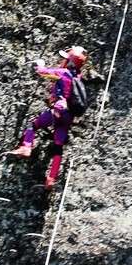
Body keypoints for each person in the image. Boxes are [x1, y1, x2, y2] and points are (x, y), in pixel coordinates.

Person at [9, 46, 89, 191]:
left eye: (66, 58)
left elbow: (43, 72)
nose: (63, 60)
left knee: (33, 124)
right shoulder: (78, 78)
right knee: (58, 146)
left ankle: (26, 147)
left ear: (70, 61)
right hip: (68, 117)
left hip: (58, 109)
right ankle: (51, 179)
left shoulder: (63, 73)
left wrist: (39, 63)